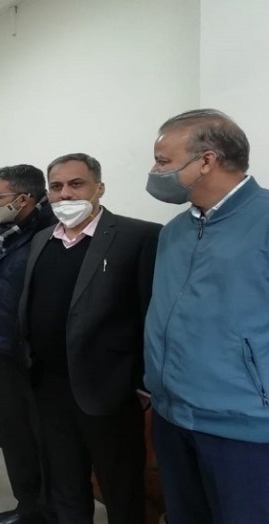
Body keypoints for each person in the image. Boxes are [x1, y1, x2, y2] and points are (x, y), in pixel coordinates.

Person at [18, 153, 161, 524]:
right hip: (49, 388)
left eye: (76, 184)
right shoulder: (41, 239)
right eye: (56, 186)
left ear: (100, 187)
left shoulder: (138, 237)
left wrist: (142, 385)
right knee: (65, 482)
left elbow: (151, 314)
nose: (65, 194)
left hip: (109, 391)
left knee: (121, 488)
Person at [144, 109, 269, 524]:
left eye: (163, 161)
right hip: (171, 415)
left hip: (244, 427)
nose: (155, 171)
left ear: (207, 161)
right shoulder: (174, 232)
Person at [0, 166, 56, 524]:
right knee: (16, 436)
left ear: (24, 199)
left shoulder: (54, 232)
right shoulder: (1, 233)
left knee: (48, 440)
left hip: (42, 356)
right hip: (8, 352)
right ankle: (27, 508)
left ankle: (51, 511)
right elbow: (1, 295)